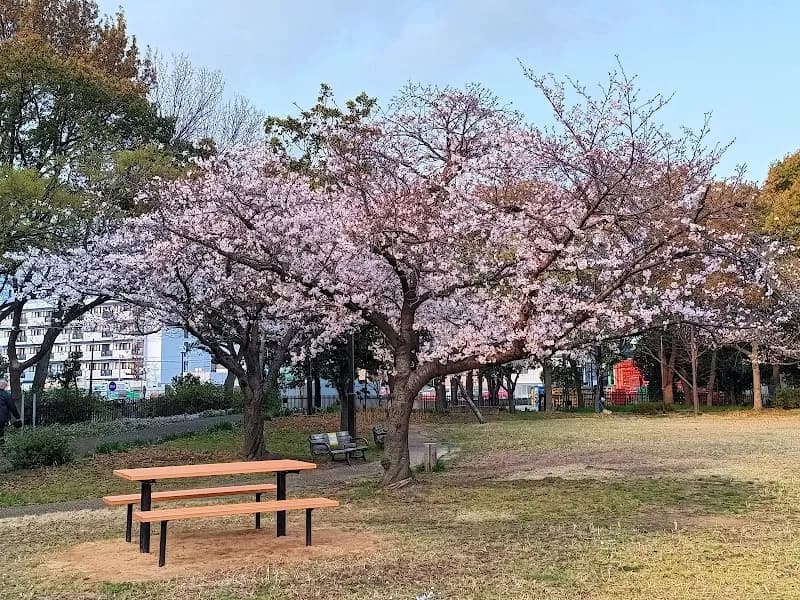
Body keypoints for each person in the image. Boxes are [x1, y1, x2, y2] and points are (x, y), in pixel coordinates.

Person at [0, 379, 22, 446]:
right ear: (3, 386)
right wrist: (17, 417)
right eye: (6, 385)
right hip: (1, 417)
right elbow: (12, 406)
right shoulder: (5, 394)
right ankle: (1, 445)